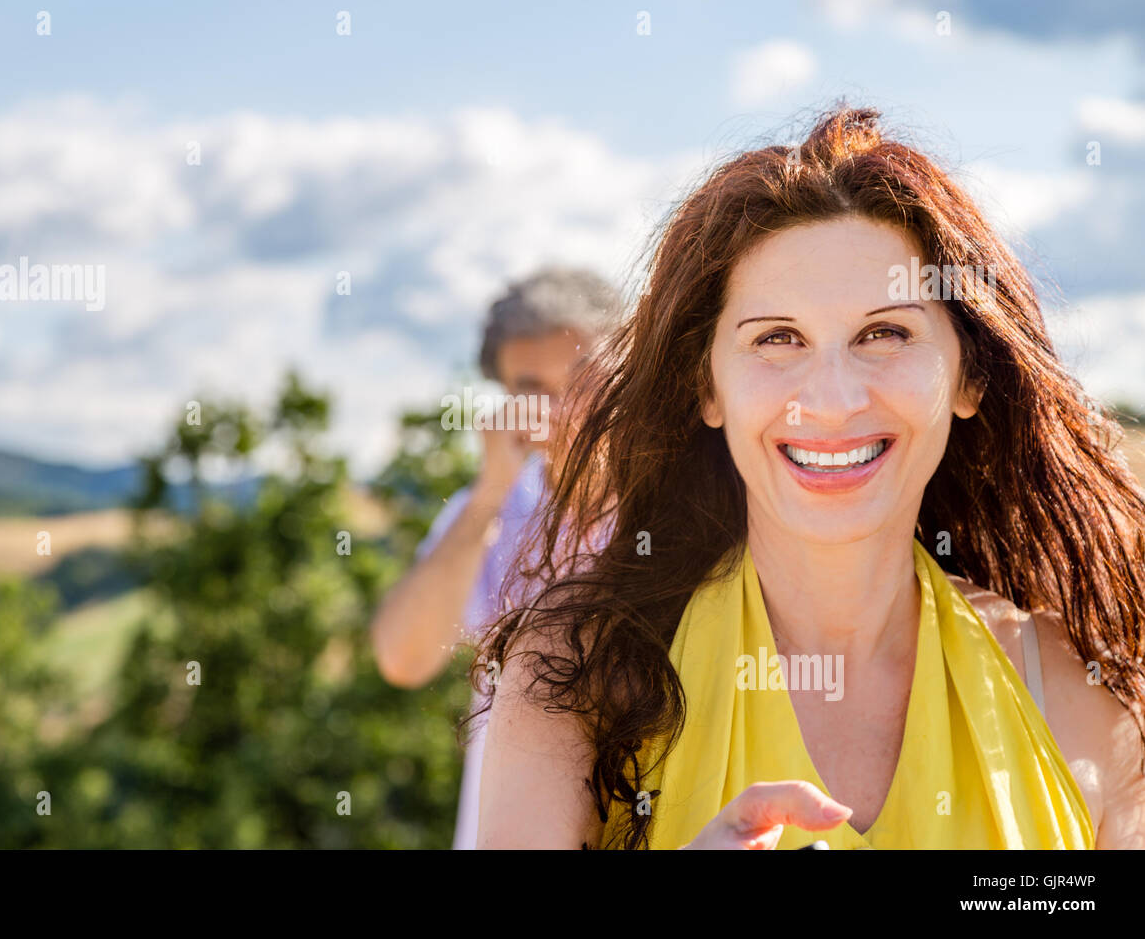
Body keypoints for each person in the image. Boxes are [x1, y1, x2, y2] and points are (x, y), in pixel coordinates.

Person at [475, 105, 1145, 849]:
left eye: (885, 333)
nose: (831, 400)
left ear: (970, 379)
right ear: (707, 389)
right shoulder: (578, 679)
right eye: (777, 338)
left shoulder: (1079, 700)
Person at [369, 267, 622, 849]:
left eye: (585, 375)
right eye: (536, 389)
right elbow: (403, 659)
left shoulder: (687, 508)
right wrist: (488, 494)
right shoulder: (489, 512)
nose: (567, 410)